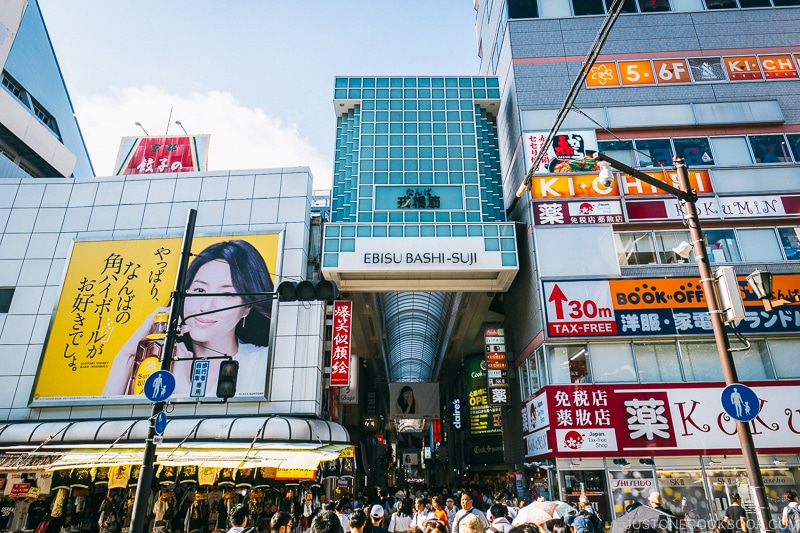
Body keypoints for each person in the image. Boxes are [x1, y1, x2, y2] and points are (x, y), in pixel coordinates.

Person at [104, 239, 274, 397]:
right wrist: (127, 352)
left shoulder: (262, 363)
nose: (206, 307)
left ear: (247, 307)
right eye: (200, 291)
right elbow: (103, 421)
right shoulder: (155, 361)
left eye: (226, 294)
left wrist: (183, 390)